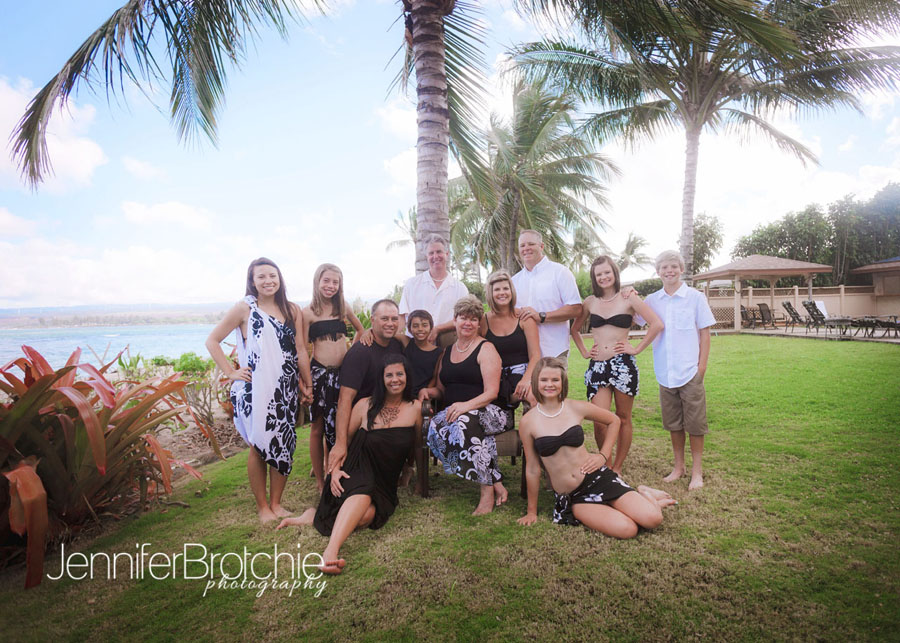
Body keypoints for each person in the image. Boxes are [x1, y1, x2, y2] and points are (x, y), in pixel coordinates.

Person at [276, 355, 421, 575]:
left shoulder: (415, 408)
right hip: (355, 469)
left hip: (384, 480)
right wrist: (334, 470)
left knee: (365, 517)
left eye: (399, 374)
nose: (394, 379)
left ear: (407, 377)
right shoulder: (364, 405)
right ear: (381, 379)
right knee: (363, 493)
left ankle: (312, 515)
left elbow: (417, 447)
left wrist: (414, 474)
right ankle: (330, 553)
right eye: (388, 375)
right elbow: (343, 442)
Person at [205, 257, 312, 523]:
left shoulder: (292, 310)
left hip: (285, 388)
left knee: (284, 443)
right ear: (252, 281)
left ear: (280, 278)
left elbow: (299, 350)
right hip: (255, 389)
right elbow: (212, 340)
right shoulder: (245, 309)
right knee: (259, 445)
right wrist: (231, 372)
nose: (268, 281)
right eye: (261, 277)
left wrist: (306, 383)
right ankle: (263, 507)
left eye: (272, 275)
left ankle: (277, 503)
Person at [517, 358, 676, 537]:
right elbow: (532, 469)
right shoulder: (528, 422)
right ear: (535, 382)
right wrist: (532, 511)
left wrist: (603, 454)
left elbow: (614, 420)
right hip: (575, 496)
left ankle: (645, 493)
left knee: (653, 519)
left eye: (555, 380)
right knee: (627, 530)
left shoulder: (575, 407)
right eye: (544, 380)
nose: (550, 384)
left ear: (563, 382)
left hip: (597, 478)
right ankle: (632, 503)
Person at [570, 256, 664, 474]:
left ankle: (618, 467)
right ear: (595, 278)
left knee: (622, 418)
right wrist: (585, 351)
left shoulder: (628, 297)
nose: (603, 277)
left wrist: (637, 348)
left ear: (614, 273)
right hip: (598, 367)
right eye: (598, 274)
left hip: (622, 365)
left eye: (607, 272)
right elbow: (574, 330)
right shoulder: (590, 302)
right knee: (599, 420)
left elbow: (657, 324)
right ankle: (606, 464)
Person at [423, 295, 509, 515]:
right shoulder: (447, 351)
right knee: (434, 427)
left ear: (479, 323)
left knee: (462, 423)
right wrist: (427, 391)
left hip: (492, 412)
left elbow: (492, 392)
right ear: (455, 320)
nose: (468, 323)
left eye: (473, 318)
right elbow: (442, 389)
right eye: (463, 317)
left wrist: (465, 406)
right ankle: (495, 479)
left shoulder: (486, 349)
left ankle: (487, 493)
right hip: (459, 412)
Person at [643, 250, 716, 491]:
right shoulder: (652, 300)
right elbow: (634, 317)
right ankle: (679, 467)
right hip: (665, 372)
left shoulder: (695, 298)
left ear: (681, 269)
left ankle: (697, 472)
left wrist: (701, 368)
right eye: (664, 267)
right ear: (658, 272)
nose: (669, 271)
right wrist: (628, 295)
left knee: (695, 424)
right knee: (673, 423)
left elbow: (705, 334)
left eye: (673, 266)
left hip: (689, 372)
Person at [302, 263, 365, 493]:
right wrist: (305, 381)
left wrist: (351, 354)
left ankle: (333, 469)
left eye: (335, 282)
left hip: (342, 373)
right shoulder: (307, 313)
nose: (331, 286)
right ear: (317, 282)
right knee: (318, 428)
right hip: (319, 373)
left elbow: (361, 330)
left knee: (338, 423)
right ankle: (320, 480)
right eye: (326, 281)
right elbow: (301, 347)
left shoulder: (343, 307)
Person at [327, 299, 404, 475]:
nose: (390, 324)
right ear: (373, 319)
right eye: (384, 319)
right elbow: (344, 399)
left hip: (392, 410)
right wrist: (340, 443)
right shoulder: (360, 353)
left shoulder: (397, 345)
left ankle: (406, 467)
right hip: (364, 416)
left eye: (394, 319)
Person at [511, 230, 582, 365]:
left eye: (531, 244)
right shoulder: (514, 281)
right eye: (522, 245)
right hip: (523, 356)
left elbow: (576, 308)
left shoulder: (560, 272)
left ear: (541, 246)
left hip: (554, 352)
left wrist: (542, 316)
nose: (526, 248)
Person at [481, 270, 540, 411]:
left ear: (512, 291)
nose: (502, 292)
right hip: (497, 377)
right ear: (491, 293)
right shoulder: (483, 321)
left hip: (524, 373)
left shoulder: (524, 317)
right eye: (497, 289)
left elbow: (535, 355)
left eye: (506, 288)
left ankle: (535, 431)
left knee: (534, 399)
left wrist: (526, 380)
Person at [398, 234, 468, 347]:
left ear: (447, 254)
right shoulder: (412, 284)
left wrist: (438, 329)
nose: (435, 256)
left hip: (447, 349)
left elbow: (464, 318)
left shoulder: (460, 288)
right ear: (426, 256)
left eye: (439, 252)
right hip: (415, 348)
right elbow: (402, 317)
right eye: (431, 253)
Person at [402, 309, 441, 398]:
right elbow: (387, 334)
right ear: (409, 329)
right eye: (415, 326)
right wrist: (370, 331)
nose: (420, 329)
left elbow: (434, 378)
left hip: (422, 395)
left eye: (424, 325)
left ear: (431, 328)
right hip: (404, 392)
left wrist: (426, 395)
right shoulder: (406, 342)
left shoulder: (438, 352)